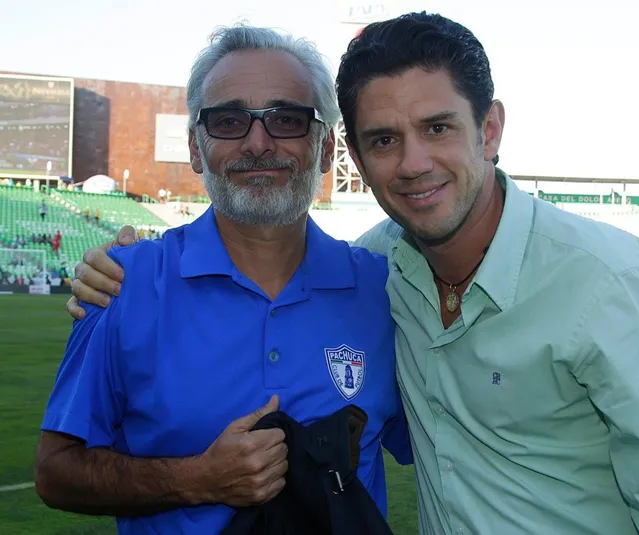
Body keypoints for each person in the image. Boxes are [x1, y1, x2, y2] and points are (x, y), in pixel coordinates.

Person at [67, 12, 639, 535]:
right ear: (352, 153)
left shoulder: (608, 280)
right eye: (383, 139)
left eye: (438, 127)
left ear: (489, 129)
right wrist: (129, 267)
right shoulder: (379, 271)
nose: (413, 163)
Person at [36, 24, 411, 535]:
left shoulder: (386, 292)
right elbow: (55, 471)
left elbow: (454, 445)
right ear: (196, 148)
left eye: (286, 119)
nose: (258, 143)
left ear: (326, 148)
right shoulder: (123, 285)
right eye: (230, 121)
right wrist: (197, 479)